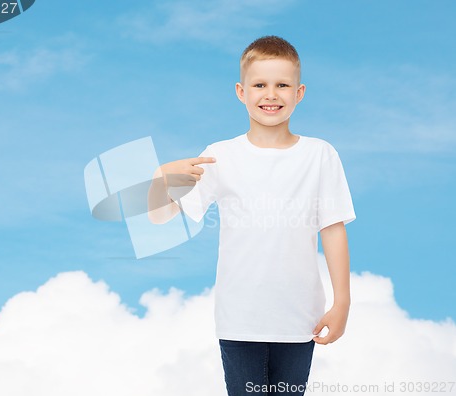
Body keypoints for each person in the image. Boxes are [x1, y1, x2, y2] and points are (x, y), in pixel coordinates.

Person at [147, 36, 356, 396]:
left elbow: (333, 229)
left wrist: (343, 302)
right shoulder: (219, 156)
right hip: (239, 320)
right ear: (241, 91)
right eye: (260, 85)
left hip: (300, 319)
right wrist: (159, 179)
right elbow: (160, 218)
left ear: (299, 92)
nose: (270, 94)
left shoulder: (320, 155)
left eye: (282, 85)